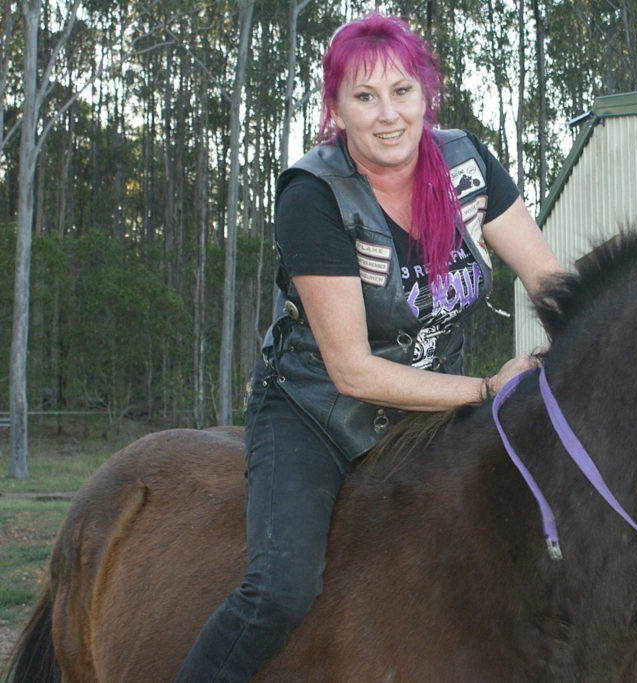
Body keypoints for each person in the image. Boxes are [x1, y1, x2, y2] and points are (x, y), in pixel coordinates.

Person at [175, 11, 562, 682]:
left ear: (426, 95)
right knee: (281, 588)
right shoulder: (314, 193)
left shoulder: (468, 164)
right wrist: (485, 389)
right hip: (316, 411)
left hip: (426, 412)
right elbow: (352, 370)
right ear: (337, 110)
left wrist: (585, 349)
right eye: (364, 96)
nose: (389, 115)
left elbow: (554, 285)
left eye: (402, 91)